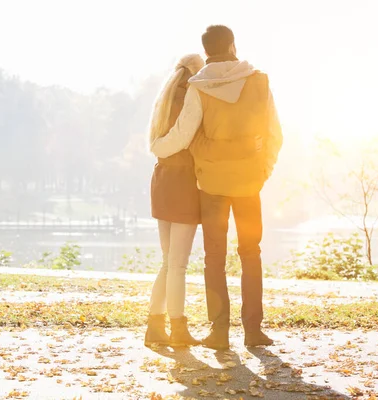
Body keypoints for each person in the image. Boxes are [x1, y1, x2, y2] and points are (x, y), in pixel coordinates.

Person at [150, 25, 283, 349]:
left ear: (206, 51)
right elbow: (274, 133)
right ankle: (253, 331)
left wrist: (157, 147)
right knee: (251, 255)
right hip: (249, 185)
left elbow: (184, 135)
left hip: (211, 187)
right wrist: (263, 171)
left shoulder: (200, 86)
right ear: (233, 46)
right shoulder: (259, 81)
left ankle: (219, 333)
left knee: (215, 258)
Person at [144, 54, 204, 347]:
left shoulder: (166, 96)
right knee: (178, 265)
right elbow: (184, 137)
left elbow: (160, 141)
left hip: (162, 179)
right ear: (196, 71)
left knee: (169, 262)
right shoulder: (190, 96)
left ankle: (154, 327)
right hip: (183, 181)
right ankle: (178, 329)